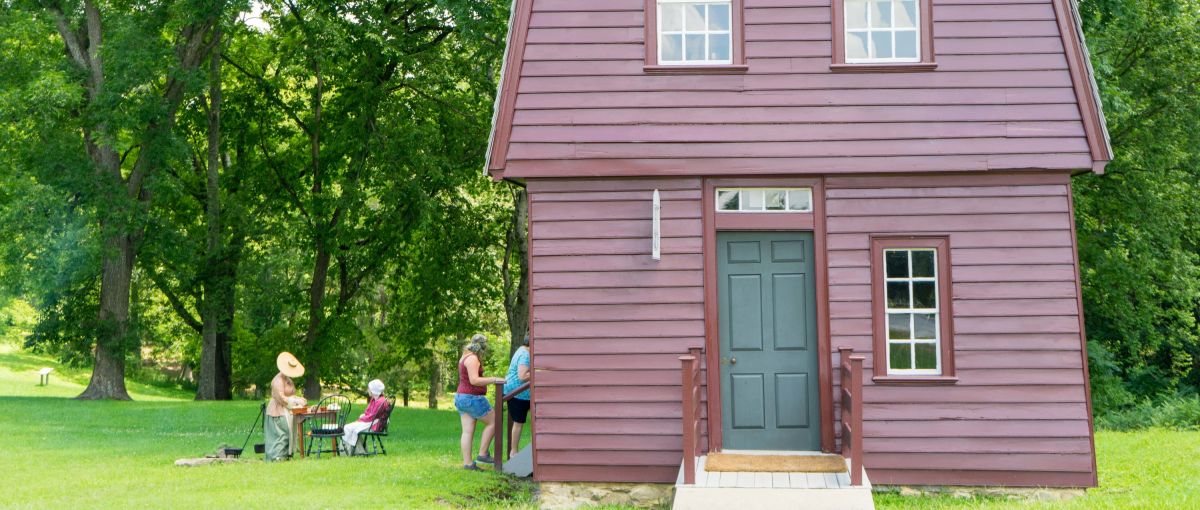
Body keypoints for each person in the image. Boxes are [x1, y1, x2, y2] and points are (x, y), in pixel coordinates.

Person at [455, 334, 506, 470]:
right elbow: (474, 380)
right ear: (482, 346)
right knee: (495, 421)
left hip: (461, 397)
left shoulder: (465, 356)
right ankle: (483, 453)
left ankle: (468, 464)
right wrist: (494, 379)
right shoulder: (473, 358)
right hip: (472, 398)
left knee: (467, 431)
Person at [265, 352, 305, 461]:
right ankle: (277, 456)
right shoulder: (278, 380)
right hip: (278, 411)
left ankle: (288, 454)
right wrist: (294, 402)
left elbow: (291, 394)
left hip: (287, 410)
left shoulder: (288, 379)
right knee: (282, 433)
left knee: (290, 432)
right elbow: (281, 398)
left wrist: (299, 400)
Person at [341, 379, 390, 456]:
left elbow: (372, 416)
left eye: (369, 389)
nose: (368, 390)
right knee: (350, 428)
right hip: (371, 422)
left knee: (347, 428)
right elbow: (368, 412)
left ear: (373, 390)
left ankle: (349, 452)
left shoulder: (380, 402)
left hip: (375, 425)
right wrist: (364, 415)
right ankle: (359, 451)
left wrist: (362, 418)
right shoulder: (374, 399)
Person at [504, 334, 532, 458]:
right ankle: (513, 452)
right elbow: (522, 377)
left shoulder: (521, 350)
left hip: (522, 394)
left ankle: (515, 451)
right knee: (518, 422)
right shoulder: (525, 355)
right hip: (517, 393)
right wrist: (537, 373)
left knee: (519, 422)